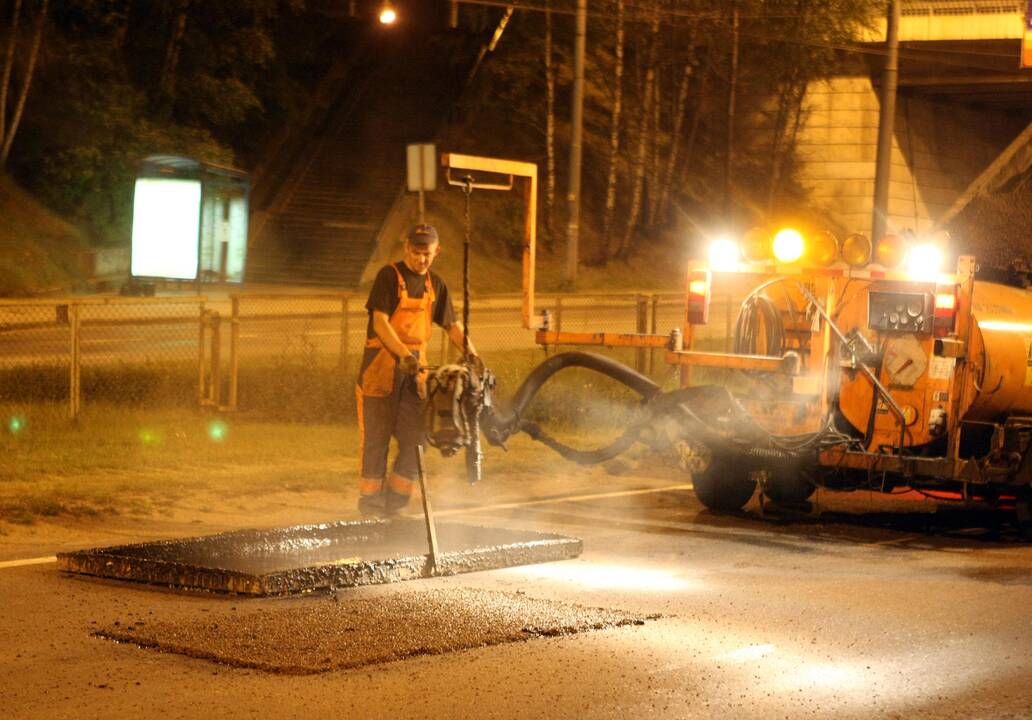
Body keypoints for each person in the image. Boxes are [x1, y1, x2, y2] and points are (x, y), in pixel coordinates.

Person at [356, 223, 475, 516]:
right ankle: (371, 505)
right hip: (381, 368)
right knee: (377, 440)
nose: (422, 259)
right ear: (407, 248)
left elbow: (452, 325)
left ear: (437, 251)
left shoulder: (437, 286)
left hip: (415, 373)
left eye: (428, 254)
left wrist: (472, 354)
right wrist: (403, 354)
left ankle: (395, 502)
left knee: (417, 438)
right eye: (417, 252)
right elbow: (380, 322)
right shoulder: (389, 277)